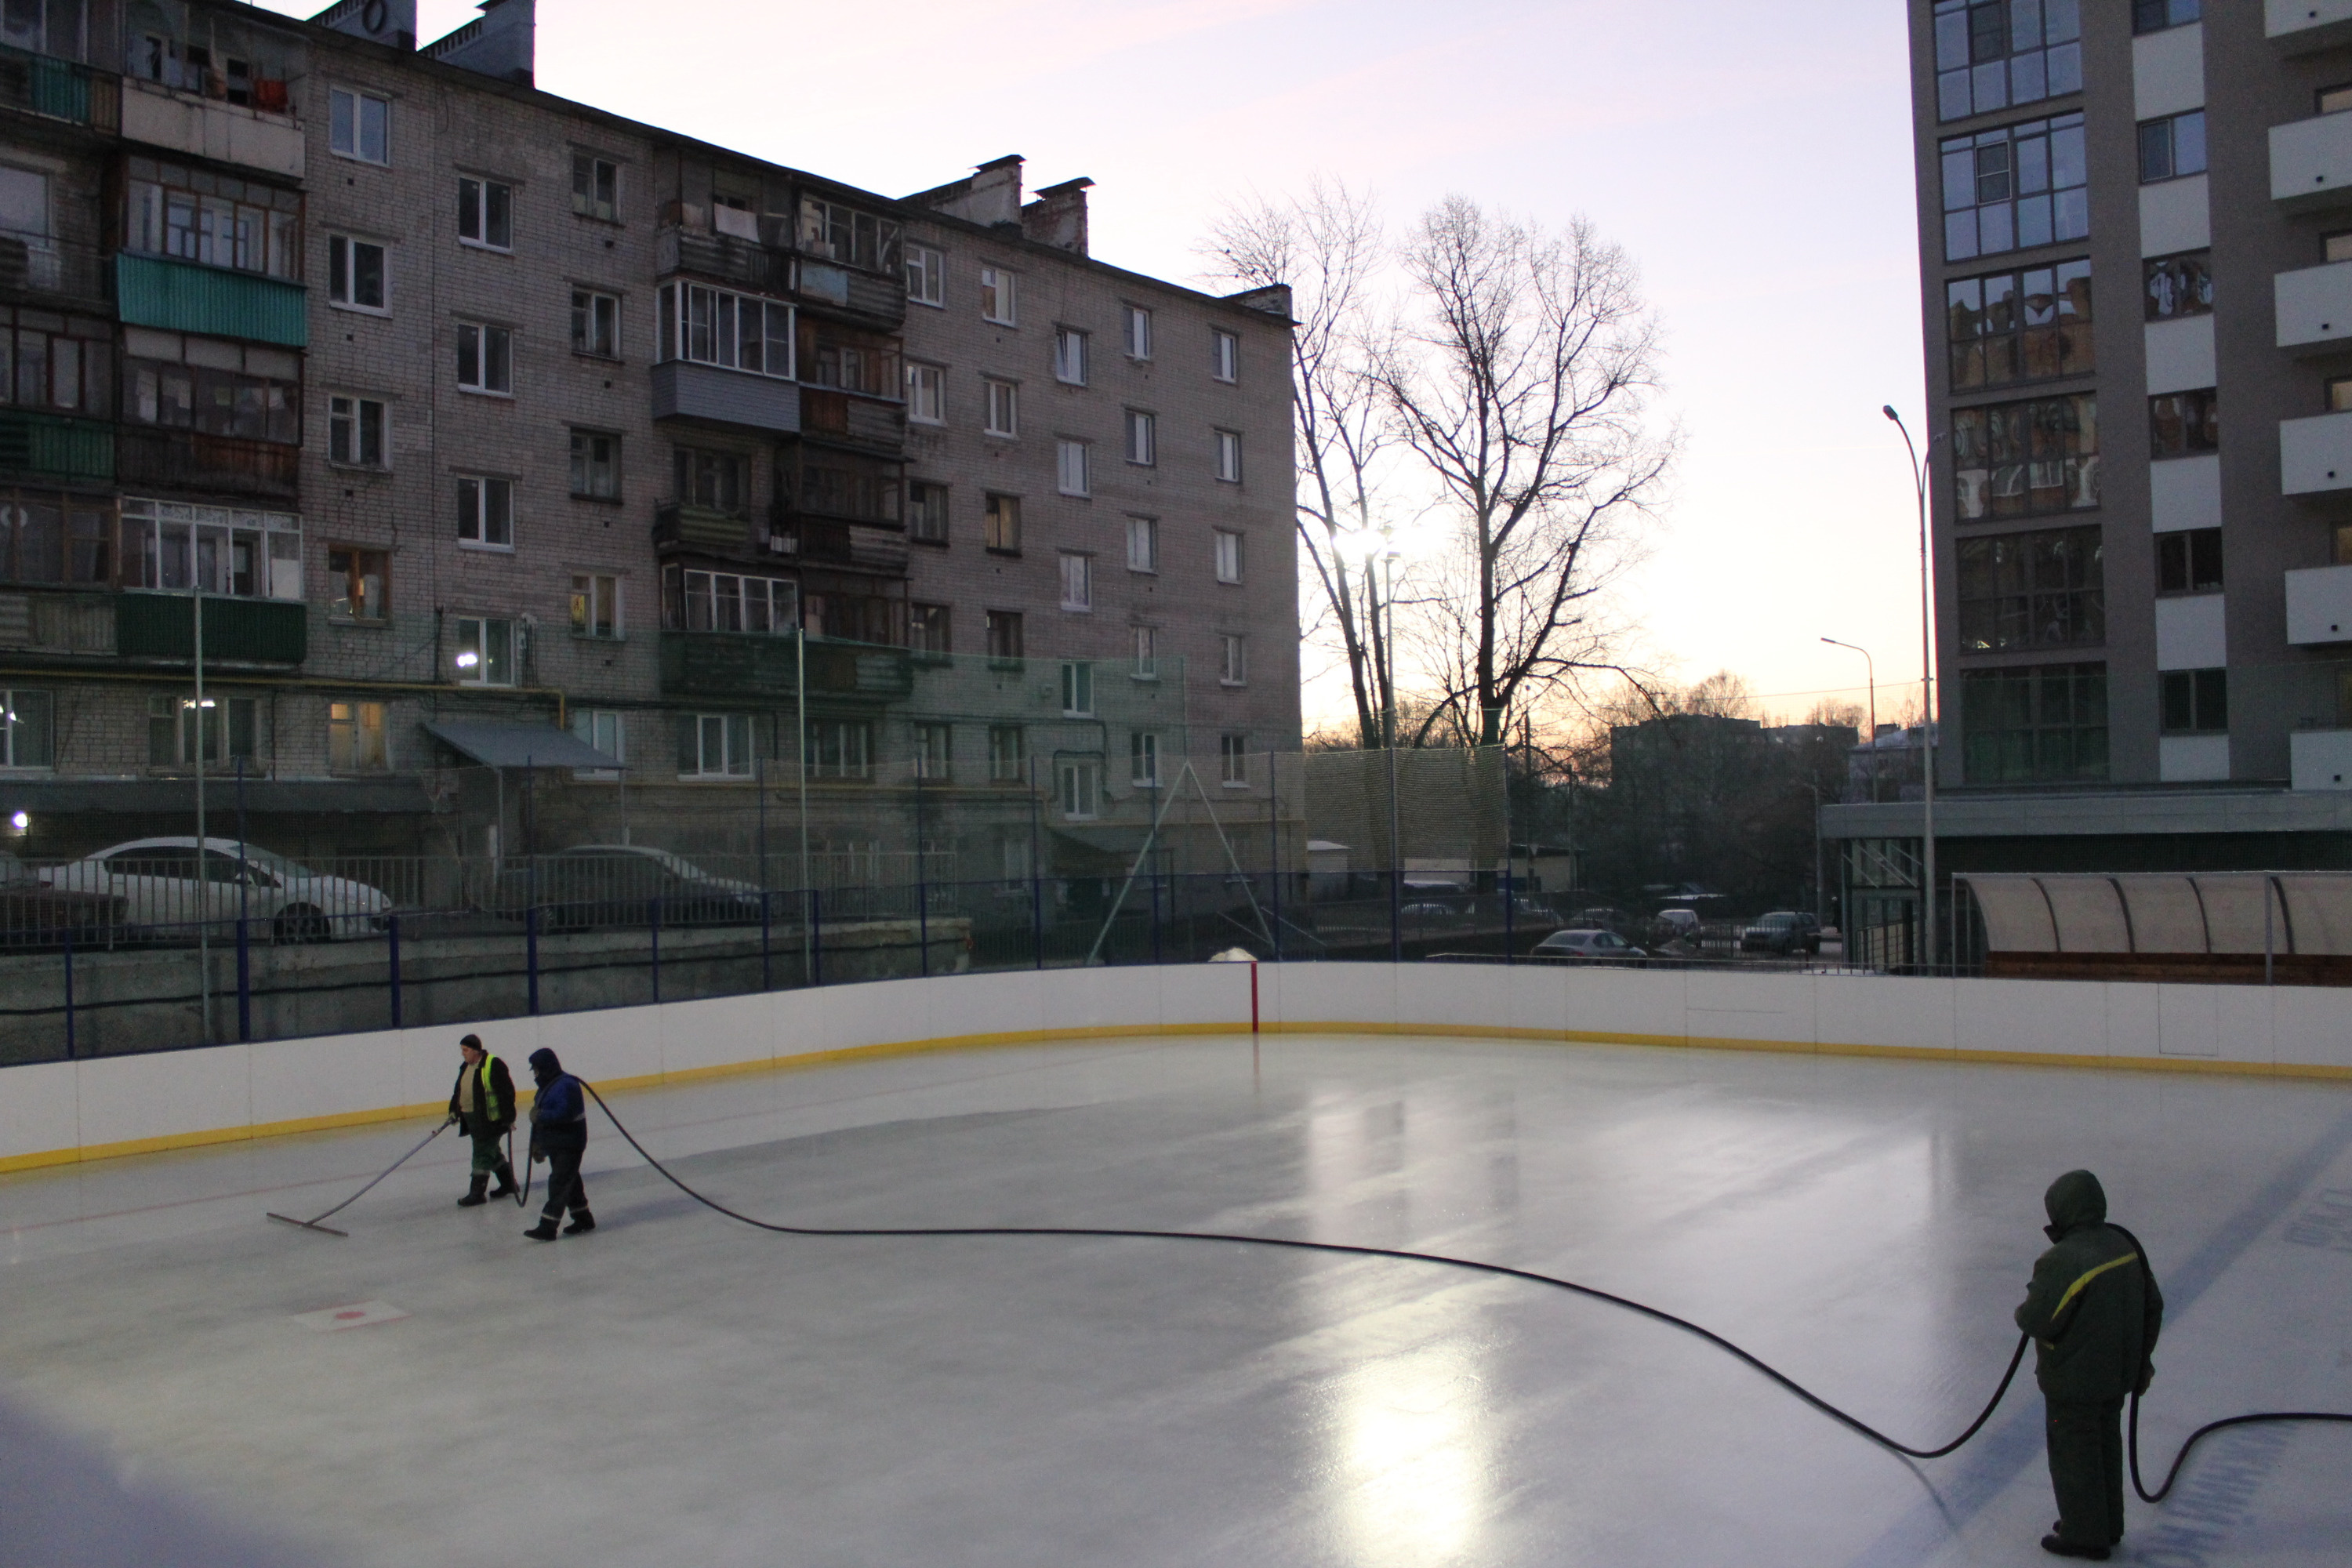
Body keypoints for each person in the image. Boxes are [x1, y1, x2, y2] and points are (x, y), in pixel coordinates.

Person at [2014, 1169, 2164, 1561]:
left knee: (2075, 1454)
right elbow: (2153, 1305)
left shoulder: (2064, 1259)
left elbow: (2039, 1320)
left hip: (2075, 1381)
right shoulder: (2124, 1246)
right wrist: (2141, 1362)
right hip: (2117, 1376)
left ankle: (2084, 1534)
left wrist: (2025, 1308)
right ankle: (2108, 1524)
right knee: (2105, 1446)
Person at [523, 1047, 593, 1240]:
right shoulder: (547, 1086)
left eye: (536, 1070)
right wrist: (538, 1145)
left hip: (570, 1143)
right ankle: (583, 1217)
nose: (535, 1074)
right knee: (570, 1181)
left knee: (559, 1182)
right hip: (557, 1144)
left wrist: (542, 1116)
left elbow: (565, 1113)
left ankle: (548, 1226)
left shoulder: (566, 1086)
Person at [445, 1034, 517, 1207]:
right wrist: (454, 1111)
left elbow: (507, 1092)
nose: (463, 1054)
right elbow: (459, 1091)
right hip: (472, 1119)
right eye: (462, 1050)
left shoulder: (493, 1064)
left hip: (491, 1120)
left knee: (482, 1153)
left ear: (476, 1050)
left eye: (466, 1050)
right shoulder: (465, 1067)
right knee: (492, 1153)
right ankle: (509, 1184)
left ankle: (477, 1193)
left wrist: (508, 1118)